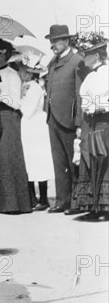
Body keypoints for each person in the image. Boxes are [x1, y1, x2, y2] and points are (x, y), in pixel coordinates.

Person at [0, 38, 32, 214]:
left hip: (8, 117)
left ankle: (13, 204)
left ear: (4, 55)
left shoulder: (12, 75)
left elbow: (15, 103)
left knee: (7, 157)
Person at [44, 24, 87, 215]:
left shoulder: (77, 61)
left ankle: (76, 202)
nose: (52, 44)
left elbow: (80, 94)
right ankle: (62, 200)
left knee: (73, 161)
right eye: (51, 41)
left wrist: (79, 122)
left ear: (66, 41)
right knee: (58, 161)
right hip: (53, 117)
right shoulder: (52, 62)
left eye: (56, 41)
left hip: (69, 119)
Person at [71, 33, 109, 220]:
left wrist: (98, 106)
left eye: (86, 54)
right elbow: (85, 99)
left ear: (96, 55)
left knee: (103, 159)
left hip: (104, 120)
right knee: (90, 158)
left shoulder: (106, 73)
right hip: (91, 122)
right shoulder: (90, 76)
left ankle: (105, 207)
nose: (83, 57)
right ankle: (93, 206)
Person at [18, 52, 54, 211]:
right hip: (28, 126)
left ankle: (43, 198)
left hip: (35, 126)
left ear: (30, 73)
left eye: (24, 70)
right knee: (29, 162)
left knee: (37, 162)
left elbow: (28, 110)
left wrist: (17, 102)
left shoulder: (34, 88)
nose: (21, 73)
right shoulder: (27, 87)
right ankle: (32, 197)